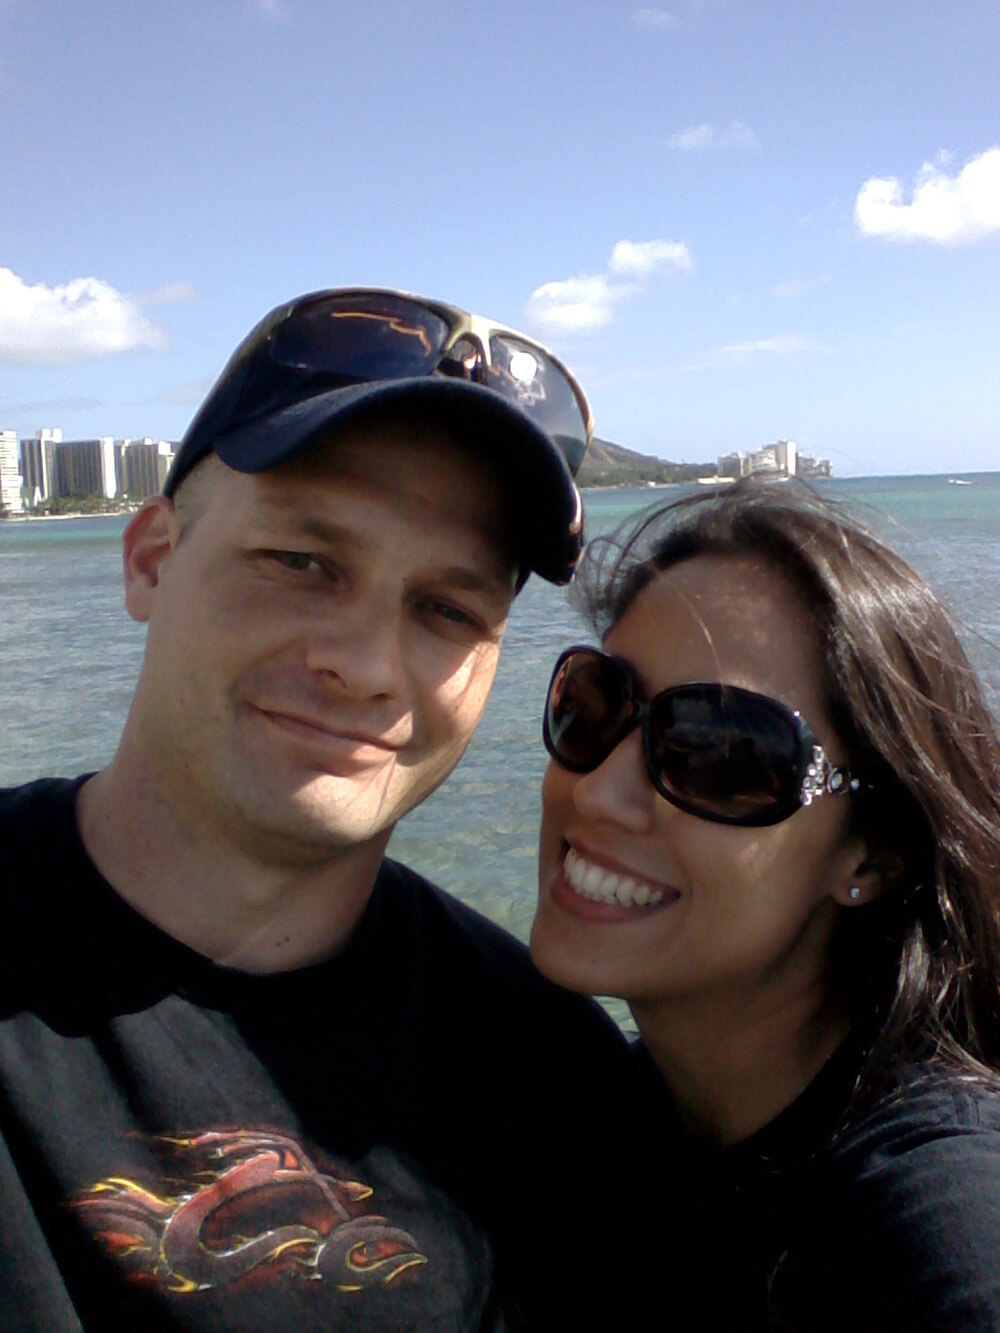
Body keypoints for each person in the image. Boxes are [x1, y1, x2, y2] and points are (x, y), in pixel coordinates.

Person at [0, 288, 658, 1332]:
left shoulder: (550, 1079)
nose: (362, 664)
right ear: (152, 560)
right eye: (302, 562)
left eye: (446, 609)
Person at [530, 479, 1000, 1330]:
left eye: (717, 751)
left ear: (872, 858)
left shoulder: (928, 1209)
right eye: (595, 705)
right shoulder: (591, 1120)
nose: (597, 791)